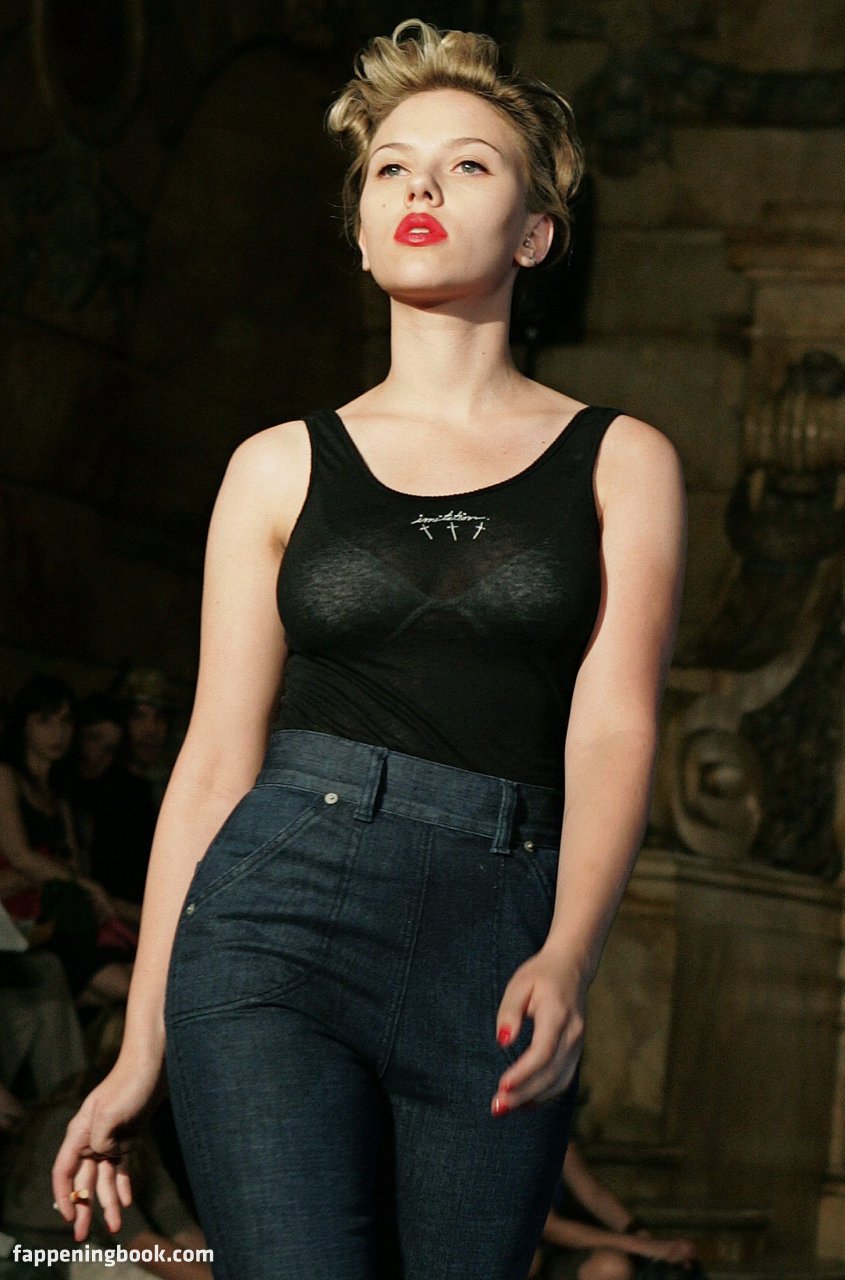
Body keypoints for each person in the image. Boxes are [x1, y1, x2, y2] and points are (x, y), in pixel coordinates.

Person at [51, 19, 686, 1280]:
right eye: (391, 168)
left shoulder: (620, 459)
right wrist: (138, 1047)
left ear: (533, 232)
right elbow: (213, 762)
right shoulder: (276, 465)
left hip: (497, 924)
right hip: (276, 913)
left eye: (467, 165)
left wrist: (568, 951)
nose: (419, 187)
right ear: (357, 229)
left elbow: (614, 722)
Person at [0, 676, 133, 1008]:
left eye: (65, 722)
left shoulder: (60, 794)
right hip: (21, 917)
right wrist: (85, 885)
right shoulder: (6, 776)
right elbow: (19, 854)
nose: (58, 733)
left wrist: (81, 885)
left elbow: (73, 862)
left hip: (58, 914)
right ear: (24, 724)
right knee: (124, 985)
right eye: (45, 721)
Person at [531, 1140, 698, 1279]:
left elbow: (593, 1194)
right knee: (531, 1261)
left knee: (610, 1266)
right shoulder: (520, 1135)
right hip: (530, 1250)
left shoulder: (553, 1126)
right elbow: (551, 1228)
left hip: (554, 1252)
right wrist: (645, 1247)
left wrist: (640, 1233)